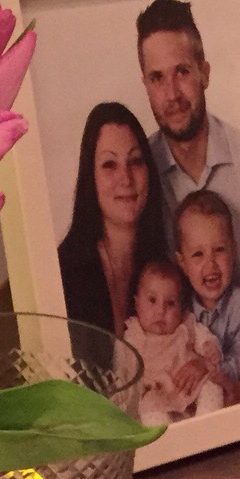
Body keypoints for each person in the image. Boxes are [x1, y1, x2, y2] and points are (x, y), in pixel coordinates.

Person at [136, 0, 240, 399]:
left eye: (182, 72)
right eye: (157, 78)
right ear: (146, 86)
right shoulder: (141, 173)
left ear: (204, 73)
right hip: (177, 375)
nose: (172, 93)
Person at [58, 102, 171, 335]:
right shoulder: (64, 271)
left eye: (136, 161)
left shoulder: (168, 265)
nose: (126, 179)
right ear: (91, 177)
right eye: (109, 164)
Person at [174, 189, 240, 402]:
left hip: (227, 392)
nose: (210, 263)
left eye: (220, 250)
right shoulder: (181, 305)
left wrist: (208, 368)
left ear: (233, 250)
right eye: (198, 254)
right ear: (182, 263)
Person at [123, 257, 224, 427]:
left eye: (170, 303)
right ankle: (167, 438)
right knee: (149, 408)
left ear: (180, 308)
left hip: (189, 384)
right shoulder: (134, 334)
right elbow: (123, 367)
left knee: (212, 385)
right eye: (152, 300)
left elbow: (206, 340)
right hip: (156, 392)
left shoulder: (185, 326)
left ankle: (206, 426)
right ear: (137, 303)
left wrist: (208, 349)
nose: (161, 310)